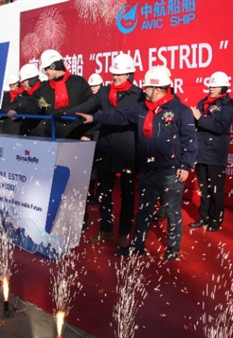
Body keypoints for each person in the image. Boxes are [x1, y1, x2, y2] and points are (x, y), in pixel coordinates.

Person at [77, 66, 197, 260]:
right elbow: (119, 116)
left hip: (171, 172)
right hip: (148, 169)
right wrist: (94, 117)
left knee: (173, 212)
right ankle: (137, 245)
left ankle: (173, 248)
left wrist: (185, 166)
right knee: (144, 210)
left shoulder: (180, 111)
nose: (143, 90)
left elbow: (189, 140)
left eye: (147, 88)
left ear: (157, 89)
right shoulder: (141, 108)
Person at [66, 54, 143, 250]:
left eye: (120, 74)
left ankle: (124, 232)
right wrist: (67, 113)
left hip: (127, 152)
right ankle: (106, 229)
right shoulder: (104, 92)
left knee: (127, 195)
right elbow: (88, 106)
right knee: (104, 193)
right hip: (106, 150)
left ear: (129, 74)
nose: (115, 77)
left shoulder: (138, 94)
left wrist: (95, 117)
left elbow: (125, 117)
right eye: (114, 73)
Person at [189, 71, 233, 232]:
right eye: (210, 86)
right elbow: (196, 121)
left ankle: (216, 219)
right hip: (201, 152)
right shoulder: (203, 103)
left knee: (215, 189)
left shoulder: (227, 106)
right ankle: (204, 217)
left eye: (214, 86)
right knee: (204, 189)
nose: (211, 89)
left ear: (222, 88)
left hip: (216, 154)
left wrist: (200, 118)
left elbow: (219, 127)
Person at [14, 49, 94, 139]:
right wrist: (16, 112)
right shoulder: (44, 88)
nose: (44, 72)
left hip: (76, 139)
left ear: (54, 66)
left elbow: (92, 109)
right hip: (52, 140)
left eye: (46, 68)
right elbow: (34, 106)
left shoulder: (79, 83)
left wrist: (88, 134)